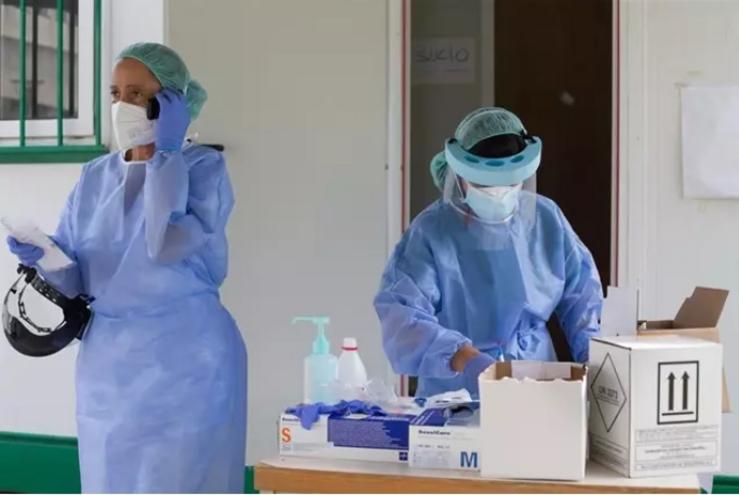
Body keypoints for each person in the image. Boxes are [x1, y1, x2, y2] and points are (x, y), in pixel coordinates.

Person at [6, 43, 247, 493]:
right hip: (110, 369)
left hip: (187, 364)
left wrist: (167, 156)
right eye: (116, 93)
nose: (123, 106)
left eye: (138, 94)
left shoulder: (203, 169)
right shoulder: (96, 177)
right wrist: (45, 258)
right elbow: (81, 278)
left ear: (171, 102)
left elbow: (165, 241)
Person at [374, 107, 602, 399]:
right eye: (484, 184)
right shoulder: (432, 231)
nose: (498, 192)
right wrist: (465, 358)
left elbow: (584, 300)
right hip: (456, 390)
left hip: (535, 382)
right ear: (460, 177)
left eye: (509, 183)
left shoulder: (545, 219)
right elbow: (401, 316)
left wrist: (597, 361)